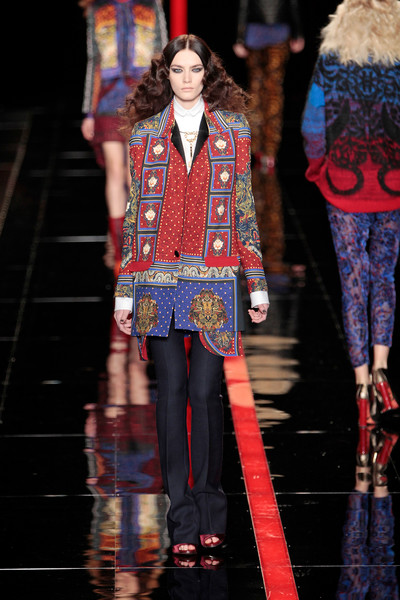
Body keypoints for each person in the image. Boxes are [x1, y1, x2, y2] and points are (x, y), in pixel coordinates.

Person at [114, 34, 269, 555]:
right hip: (157, 281)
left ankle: (210, 509)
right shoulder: (145, 136)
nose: (185, 78)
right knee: (172, 394)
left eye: (194, 69)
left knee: (204, 394)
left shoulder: (233, 131)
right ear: (167, 75)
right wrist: (124, 293)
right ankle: (180, 518)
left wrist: (257, 282)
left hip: (214, 279)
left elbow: (243, 208)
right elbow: (135, 216)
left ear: (208, 74)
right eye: (177, 70)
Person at [301, 0, 400, 426]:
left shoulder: (332, 61)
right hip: (392, 185)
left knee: (353, 281)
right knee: (385, 277)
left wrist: (318, 167)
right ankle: (381, 369)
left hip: (344, 184)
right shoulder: (397, 63)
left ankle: (360, 386)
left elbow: (312, 124)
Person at [80, 0, 167, 269]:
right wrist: (89, 111)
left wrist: (166, 103)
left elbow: (162, 56)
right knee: (115, 172)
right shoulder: (97, 9)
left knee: (135, 173)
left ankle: (139, 244)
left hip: (142, 98)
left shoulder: (151, 5)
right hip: (107, 99)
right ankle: (120, 250)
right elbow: (94, 60)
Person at [233, 0, 304, 171]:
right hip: (276, 32)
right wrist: (297, 33)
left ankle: (255, 148)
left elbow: (244, 5)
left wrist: (239, 38)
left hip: (256, 33)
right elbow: (292, 4)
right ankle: (269, 151)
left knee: (256, 90)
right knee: (273, 91)